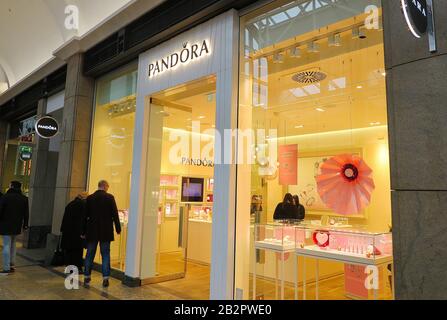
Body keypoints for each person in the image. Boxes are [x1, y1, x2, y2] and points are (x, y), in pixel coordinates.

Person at [82, 180, 121, 288]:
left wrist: (83, 231)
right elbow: (115, 214)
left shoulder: (90, 198)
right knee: (105, 255)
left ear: (98, 186)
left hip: (92, 231)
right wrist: (118, 228)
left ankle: (86, 276)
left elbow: (85, 216)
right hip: (106, 231)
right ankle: (105, 278)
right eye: (108, 187)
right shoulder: (110, 198)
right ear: (105, 186)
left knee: (90, 254)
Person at [0, 181, 29, 275]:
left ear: (12, 186)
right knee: (13, 245)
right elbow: (26, 213)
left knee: (6, 245)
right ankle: (12, 265)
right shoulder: (24, 198)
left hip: (5, 225)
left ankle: (6, 267)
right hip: (16, 226)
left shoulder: (5, 197)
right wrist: (25, 224)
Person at [60, 192, 88, 273]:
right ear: (84, 198)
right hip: (77, 233)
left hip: (67, 232)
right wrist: (84, 232)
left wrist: (62, 230)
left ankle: (69, 268)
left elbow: (64, 219)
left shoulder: (70, 204)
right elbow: (83, 220)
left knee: (69, 251)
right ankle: (77, 268)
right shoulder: (83, 205)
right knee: (78, 252)